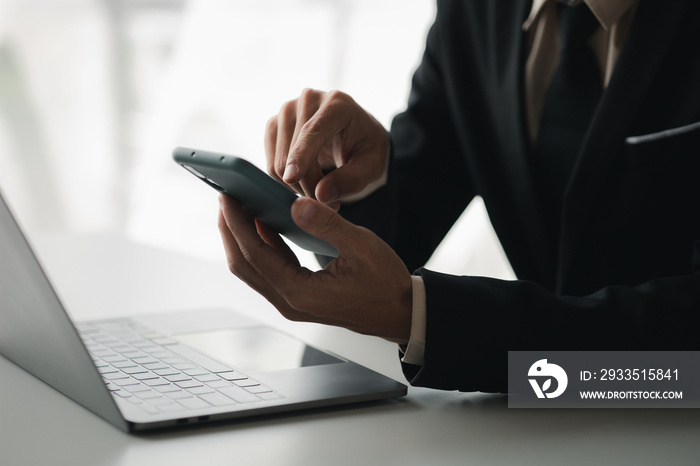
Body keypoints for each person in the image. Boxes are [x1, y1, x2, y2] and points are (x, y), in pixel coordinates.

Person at [217, 0, 700, 393]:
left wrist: (421, 316)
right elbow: (405, 231)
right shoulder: (475, 12)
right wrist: (357, 178)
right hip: (540, 425)